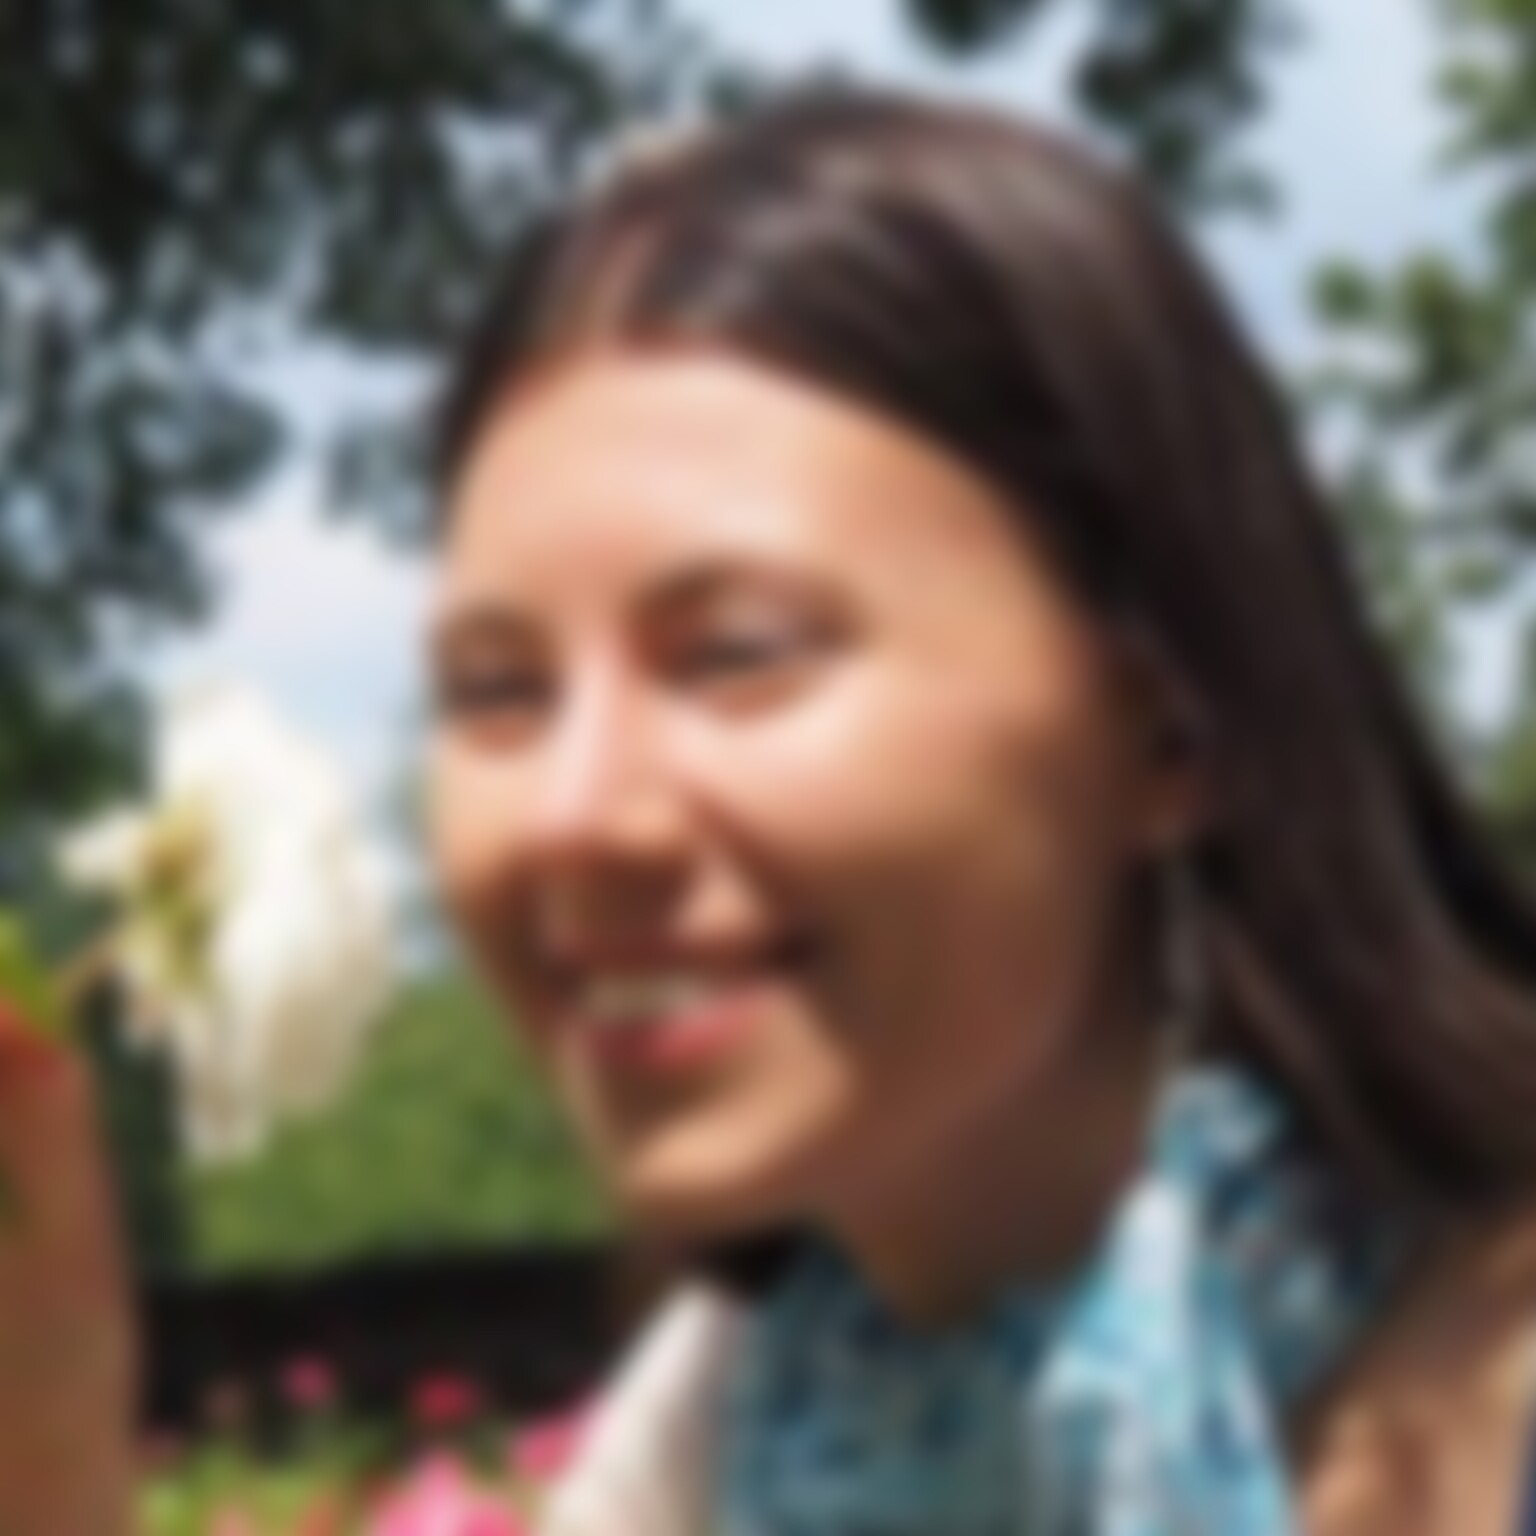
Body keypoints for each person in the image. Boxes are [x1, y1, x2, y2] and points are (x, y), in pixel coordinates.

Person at [5, 85, 1536, 1535]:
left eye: (736, 654)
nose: (576, 814)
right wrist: (49, 1424)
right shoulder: (715, 1440)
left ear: (1170, 727)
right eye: (498, 691)